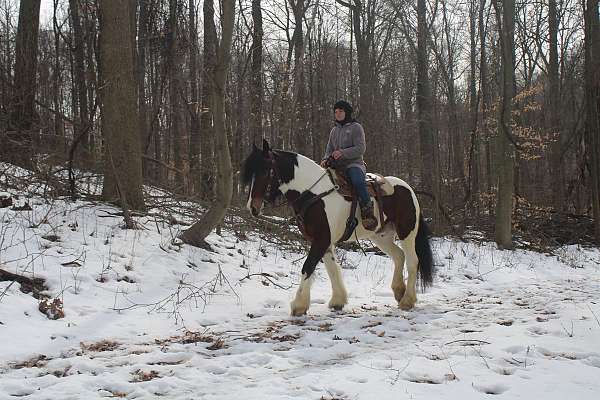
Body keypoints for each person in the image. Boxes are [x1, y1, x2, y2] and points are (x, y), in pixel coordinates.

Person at [321, 100, 377, 230]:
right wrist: (325, 159)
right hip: (336, 166)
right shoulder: (334, 131)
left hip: (354, 164)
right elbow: (329, 149)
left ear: (347, 112)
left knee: (357, 181)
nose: (338, 114)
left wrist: (342, 152)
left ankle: (368, 211)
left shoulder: (356, 127)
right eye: (335, 112)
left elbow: (361, 148)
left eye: (340, 111)